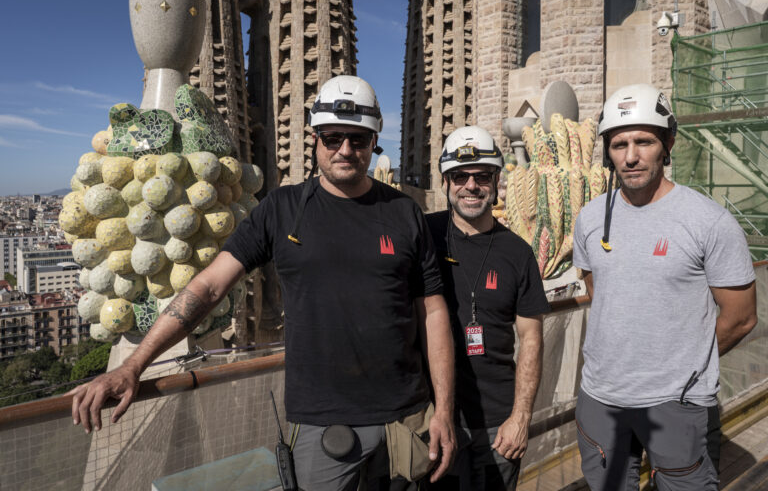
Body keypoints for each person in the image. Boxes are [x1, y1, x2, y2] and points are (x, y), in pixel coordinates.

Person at [69, 75, 457, 490]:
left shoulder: (403, 212)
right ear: (314, 138)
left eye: (359, 140)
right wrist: (132, 365)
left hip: (407, 414)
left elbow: (432, 312)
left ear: (374, 142)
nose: (346, 149)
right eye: (333, 137)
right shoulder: (283, 210)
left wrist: (444, 411)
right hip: (324, 419)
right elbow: (208, 287)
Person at [573, 83, 757, 490]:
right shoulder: (589, 219)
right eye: (619, 144)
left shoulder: (708, 221)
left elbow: (741, 318)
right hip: (601, 400)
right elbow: (596, 291)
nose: (631, 155)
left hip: (676, 404)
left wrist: (682, 365)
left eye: (644, 141)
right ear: (608, 151)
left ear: (667, 143)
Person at [425, 126, 549, 490]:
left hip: (498, 424)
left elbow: (530, 339)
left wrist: (521, 417)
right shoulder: (424, 236)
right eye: (460, 176)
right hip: (434, 418)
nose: (471, 186)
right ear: (446, 181)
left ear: (496, 180)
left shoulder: (517, 253)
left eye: (482, 176)